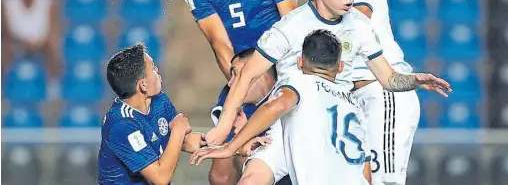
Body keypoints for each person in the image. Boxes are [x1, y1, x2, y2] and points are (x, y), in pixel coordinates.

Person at [204, 0, 452, 185]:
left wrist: (414, 80)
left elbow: (389, 79)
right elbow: (247, 75)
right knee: (251, 179)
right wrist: (226, 125)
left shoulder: (359, 25)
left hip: (338, 119)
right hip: (292, 118)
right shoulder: (291, 27)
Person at [279, 0, 421, 185]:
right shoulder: (317, 4)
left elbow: (357, 19)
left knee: (382, 182)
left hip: (380, 95)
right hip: (348, 103)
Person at [184, 0, 297, 185]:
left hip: (280, 78)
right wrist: (240, 100)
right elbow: (221, 48)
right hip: (243, 80)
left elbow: (292, 27)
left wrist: (275, 87)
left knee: (276, 161)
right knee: (221, 171)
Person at [191, 29, 373, 185]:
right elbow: (365, 170)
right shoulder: (355, 106)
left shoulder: (299, 82)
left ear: (300, 63)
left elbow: (275, 107)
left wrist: (231, 147)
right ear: (340, 67)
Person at [97, 43, 265, 185]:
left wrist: (236, 147)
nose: (157, 70)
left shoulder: (158, 100)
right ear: (143, 86)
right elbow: (160, 178)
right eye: (153, 68)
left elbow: (184, 141)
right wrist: (177, 130)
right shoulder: (121, 125)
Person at [208, 48, 277, 185]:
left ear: (258, 73)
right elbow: (221, 177)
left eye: (236, 74)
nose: (230, 83)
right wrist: (242, 138)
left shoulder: (288, 95)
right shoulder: (230, 101)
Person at [1, 0, 61, 79]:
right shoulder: (9, 1)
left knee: (54, 42)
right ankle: (5, 81)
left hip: (42, 41)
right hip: (17, 41)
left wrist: (40, 41)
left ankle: (54, 82)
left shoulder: (47, 0)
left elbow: (52, 26)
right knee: (6, 43)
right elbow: (7, 30)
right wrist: (24, 42)